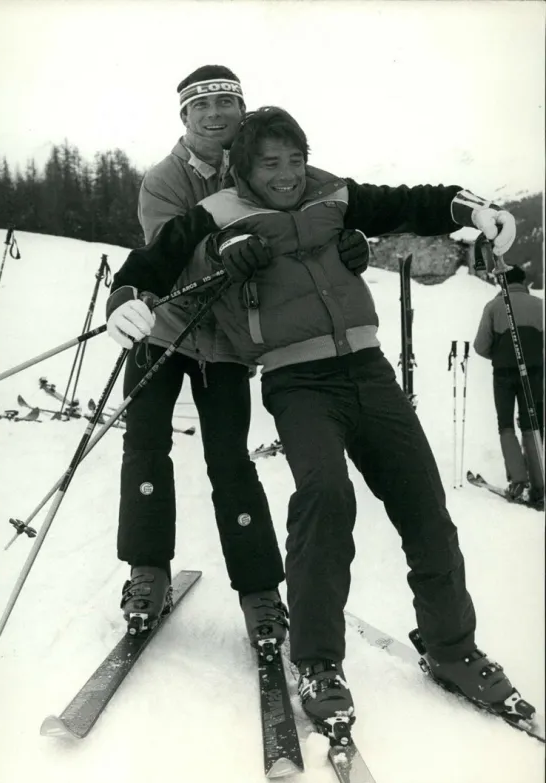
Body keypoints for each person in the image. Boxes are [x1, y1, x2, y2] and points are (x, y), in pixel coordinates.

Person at [108, 106, 531, 737]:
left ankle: (452, 647)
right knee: (326, 499)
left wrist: (474, 209)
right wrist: (125, 300)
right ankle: (318, 663)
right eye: (269, 164)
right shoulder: (217, 213)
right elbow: (152, 262)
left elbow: (416, 202)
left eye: (295, 160)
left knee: (424, 503)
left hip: (370, 369)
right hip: (298, 381)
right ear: (243, 169)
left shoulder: (335, 195)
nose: (286, 175)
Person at [106, 67, 366, 649]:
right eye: (202, 105)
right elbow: (172, 255)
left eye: (226, 101)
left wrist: (345, 245)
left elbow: (297, 224)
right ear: (185, 116)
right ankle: (147, 571)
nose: (215, 113)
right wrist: (233, 248)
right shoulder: (164, 179)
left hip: (224, 341)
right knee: (145, 446)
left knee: (230, 462)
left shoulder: (257, 167)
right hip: (163, 331)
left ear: (241, 110)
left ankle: (259, 590)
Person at [473, 264, 544, 507]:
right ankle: (540, 483)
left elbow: (480, 346)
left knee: (505, 425)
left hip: (503, 375)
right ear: (524, 283)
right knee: (531, 424)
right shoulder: (540, 306)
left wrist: (501, 355)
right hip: (534, 374)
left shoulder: (494, 306)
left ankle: (519, 481)